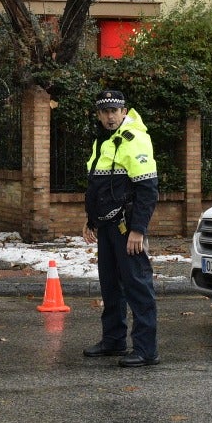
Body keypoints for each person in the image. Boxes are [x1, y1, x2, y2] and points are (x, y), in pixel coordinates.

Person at [80, 89, 161, 368]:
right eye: (105, 111)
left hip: (128, 228)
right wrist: (91, 219)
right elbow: (98, 185)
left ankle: (146, 349)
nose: (110, 116)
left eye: (114, 110)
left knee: (137, 286)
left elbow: (147, 189)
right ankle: (113, 340)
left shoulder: (134, 139)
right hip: (106, 226)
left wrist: (138, 230)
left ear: (124, 111)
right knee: (110, 285)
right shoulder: (102, 140)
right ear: (99, 114)